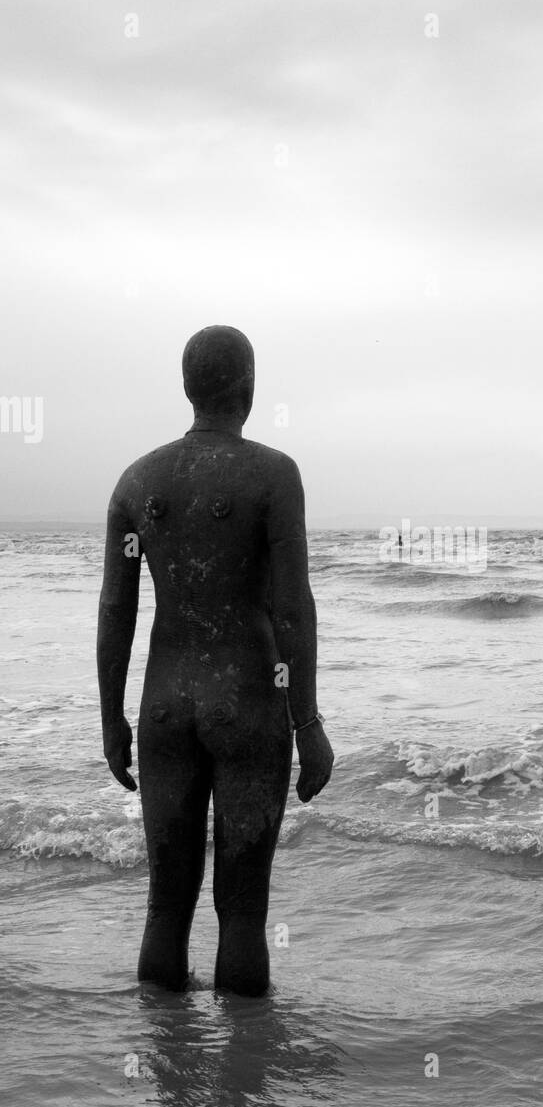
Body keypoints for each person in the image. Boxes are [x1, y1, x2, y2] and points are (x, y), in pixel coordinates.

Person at [97, 325, 333, 995]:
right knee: (242, 916)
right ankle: (242, 1086)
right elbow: (292, 610)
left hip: (164, 706)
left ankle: (168, 1079)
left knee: (165, 911)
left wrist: (113, 721)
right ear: (249, 388)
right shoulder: (273, 475)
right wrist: (308, 723)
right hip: (250, 705)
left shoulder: (136, 482)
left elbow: (117, 613)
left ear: (187, 388)